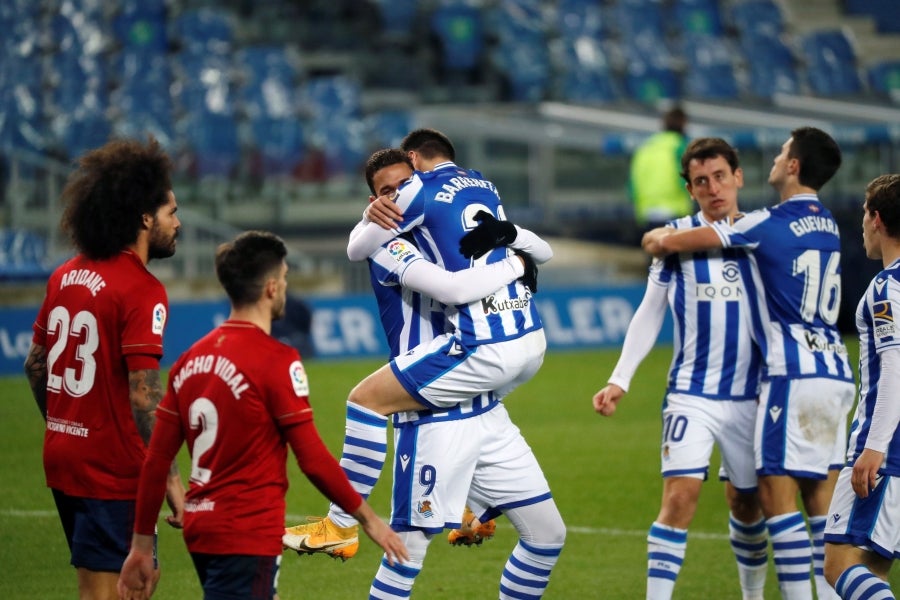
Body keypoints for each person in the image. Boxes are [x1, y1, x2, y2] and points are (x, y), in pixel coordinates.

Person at [285, 139, 566, 598]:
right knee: (407, 550)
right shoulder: (389, 246)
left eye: (404, 185)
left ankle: (472, 504)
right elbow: (452, 288)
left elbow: (510, 254)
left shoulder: (443, 231)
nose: (397, 197)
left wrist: (512, 243)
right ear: (374, 201)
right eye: (386, 192)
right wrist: (518, 263)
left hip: (481, 402)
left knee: (548, 535)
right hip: (430, 409)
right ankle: (341, 522)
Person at [117, 231, 408, 600]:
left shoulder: (188, 362)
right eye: (284, 278)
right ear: (271, 288)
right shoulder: (277, 361)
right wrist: (368, 519)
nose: (285, 286)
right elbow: (312, 459)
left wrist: (141, 545)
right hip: (248, 529)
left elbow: (157, 460)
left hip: (201, 525)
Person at [643, 126, 856, 600]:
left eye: (782, 153)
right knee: (821, 505)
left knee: (776, 502)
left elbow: (673, 243)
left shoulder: (765, 224)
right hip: (837, 371)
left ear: (794, 166)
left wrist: (657, 236)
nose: (776, 159)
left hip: (791, 374)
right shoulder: (828, 223)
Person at [594, 138, 769, 600]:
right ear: (690, 190)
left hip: (752, 395)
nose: (713, 188)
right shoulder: (675, 240)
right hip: (691, 393)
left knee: (746, 504)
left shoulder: (764, 234)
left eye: (720, 177)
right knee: (679, 498)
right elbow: (651, 310)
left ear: (738, 177)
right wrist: (620, 378)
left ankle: (752, 595)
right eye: (701, 181)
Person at [22, 136, 186, 599]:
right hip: (110, 469)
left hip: (64, 455)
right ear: (145, 218)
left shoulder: (64, 274)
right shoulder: (141, 289)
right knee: (111, 590)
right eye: (172, 212)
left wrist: (63, 424)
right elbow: (144, 396)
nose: (179, 223)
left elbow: (34, 365)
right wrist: (173, 481)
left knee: (137, 581)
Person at [824, 174, 900, 600]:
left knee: (838, 565)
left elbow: (895, 367)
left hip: (887, 447)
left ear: (876, 219)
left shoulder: (887, 288)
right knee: (873, 567)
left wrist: (874, 448)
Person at [629, 106, 693, 234]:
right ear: (684, 124)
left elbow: (632, 186)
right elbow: (687, 180)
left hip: (646, 214)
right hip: (675, 212)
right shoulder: (680, 146)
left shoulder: (645, 147)